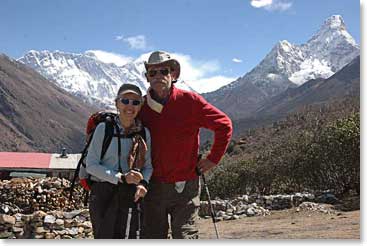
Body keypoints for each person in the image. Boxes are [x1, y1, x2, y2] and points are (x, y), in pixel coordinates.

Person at [139, 51, 233, 239]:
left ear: (173, 75)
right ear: (147, 78)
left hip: (186, 185)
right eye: (152, 73)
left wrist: (213, 159)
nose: (158, 76)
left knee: (186, 235)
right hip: (153, 185)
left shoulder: (190, 102)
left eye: (163, 71)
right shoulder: (141, 107)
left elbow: (224, 125)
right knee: (152, 236)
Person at [85, 83, 153, 239]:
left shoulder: (144, 133)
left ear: (140, 106)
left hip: (130, 193)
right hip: (103, 192)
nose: (130, 106)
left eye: (135, 102)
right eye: (125, 101)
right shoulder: (104, 129)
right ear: (117, 103)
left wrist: (143, 184)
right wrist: (121, 177)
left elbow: (148, 167)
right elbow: (92, 165)